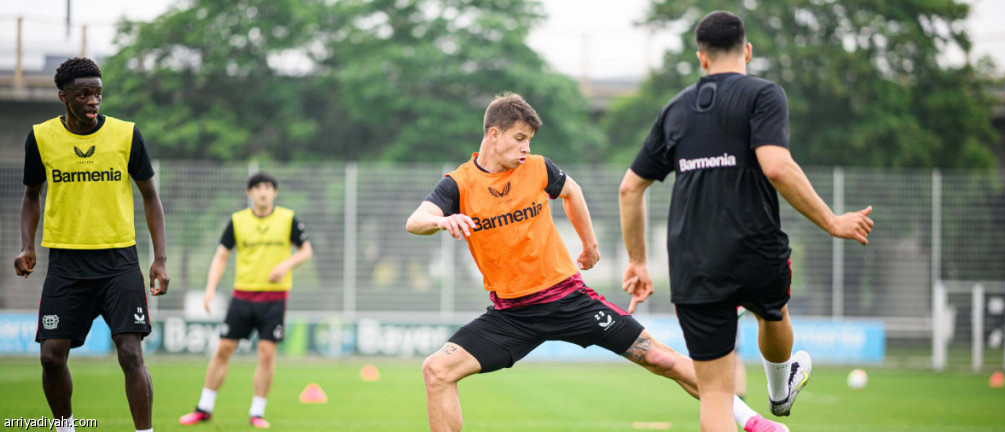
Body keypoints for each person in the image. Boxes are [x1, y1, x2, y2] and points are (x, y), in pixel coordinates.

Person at [406, 92, 789, 432]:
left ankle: (753, 422)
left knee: (662, 359)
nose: (526, 148)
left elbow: (572, 192)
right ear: (494, 134)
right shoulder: (459, 184)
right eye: (519, 138)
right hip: (511, 315)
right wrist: (441, 220)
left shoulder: (538, 168)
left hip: (568, 300)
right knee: (436, 370)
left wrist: (589, 245)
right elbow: (415, 221)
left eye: (529, 140)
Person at [618, 11, 875, 432]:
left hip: (694, 263)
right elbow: (776, 166)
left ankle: (777, 390)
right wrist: (831, 221)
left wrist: (638, 262)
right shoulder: (764, 95)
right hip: (755, 249)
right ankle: (780, 390)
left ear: (701, 58)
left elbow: (630, 188)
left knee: (716, 398)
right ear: (748, 51)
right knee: (772, 310)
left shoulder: (675, 110)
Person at [13, 57, 170, 432]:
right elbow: (31, 196)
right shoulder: (41, 137)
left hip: (119, 261)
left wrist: (160, 259)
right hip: (66, 263)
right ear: (63, 97)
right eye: (83, 94)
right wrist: (27, 246)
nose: (93, 101)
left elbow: (150, 196)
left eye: (98, 93)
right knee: (51, 358)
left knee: (130, 353)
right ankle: (65, 427)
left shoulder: (126, 135)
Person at [179, 172, 312, 429]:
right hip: (243, 296)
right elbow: (221, 256)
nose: (263, 192)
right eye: (257, 187)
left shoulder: (288, 219)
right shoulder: (238, 221)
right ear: (250, 193)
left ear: (274, 193)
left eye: (268, 187)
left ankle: (257, 412)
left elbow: (306, 251)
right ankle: (204, 408)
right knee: (223, 349)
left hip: (274, 298)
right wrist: (210, 288)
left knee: (266, 353)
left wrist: (285, 264)